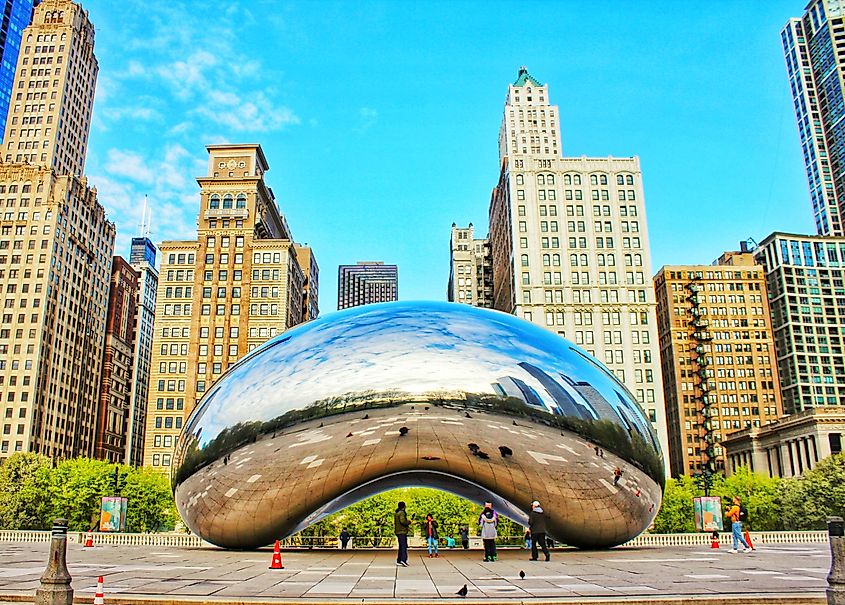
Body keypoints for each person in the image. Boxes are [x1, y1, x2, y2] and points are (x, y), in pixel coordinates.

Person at [394, 501, 412, 566]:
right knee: (404, 546)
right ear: (404, 506)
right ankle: (403, 560)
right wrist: (408, 522)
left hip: (398, 531)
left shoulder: (396, 513)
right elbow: (403, 521)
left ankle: (399, 560)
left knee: (401, 546)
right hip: (402, 531)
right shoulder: (402, 513)